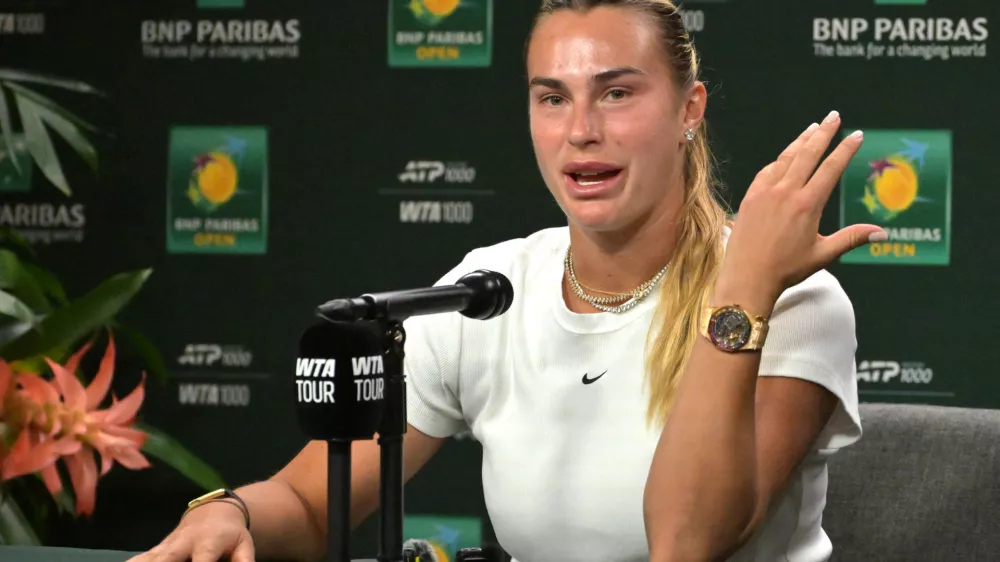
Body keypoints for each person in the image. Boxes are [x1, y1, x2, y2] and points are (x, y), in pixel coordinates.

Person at [130, 1, 885, 561]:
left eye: (617, 93)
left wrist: (742, 289)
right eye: (553, 97)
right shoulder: (490, 289)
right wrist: (230, 512)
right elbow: (307, 502)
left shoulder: (791, 300)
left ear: (689, 110)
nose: (580, 130)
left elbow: (687, 543)